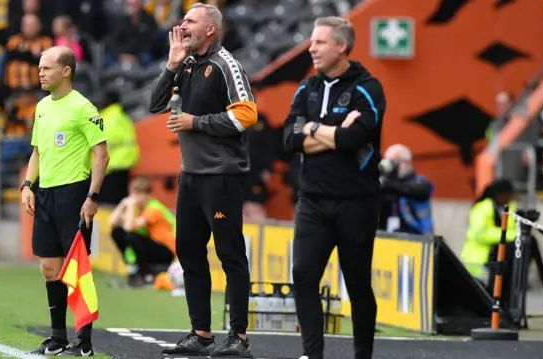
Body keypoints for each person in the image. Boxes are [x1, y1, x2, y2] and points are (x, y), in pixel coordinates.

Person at [148, 3, 257, 357]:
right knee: (189, 252)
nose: (182, 25)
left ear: (210, 29)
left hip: (222, 176)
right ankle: (201, 334)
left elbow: (247, 115)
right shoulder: (188, 65)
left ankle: (238, 338)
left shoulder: (228, 65)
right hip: (191, 175)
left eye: (191, 21)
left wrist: (196, 122)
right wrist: (171, 64)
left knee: (230, 256)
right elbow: (155, 105)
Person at [282, 16, 387, 359]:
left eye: (320, 42)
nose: (311, 48)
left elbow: (356, 137)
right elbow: (289, 140)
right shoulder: (306, 88)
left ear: (342, 47)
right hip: (312, 200)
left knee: (357, 284)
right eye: (312, 42)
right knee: (303, 278)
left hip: (357, 201)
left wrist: (313, 130)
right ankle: (313, 355)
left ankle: (363, 355)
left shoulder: (367, 87)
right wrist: (329, 131)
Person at [20, 46, 109, 356]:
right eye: (40, 68)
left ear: (66, 71)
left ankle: (83, 342)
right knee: (49, 267)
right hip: (45, 194)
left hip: (74, 195)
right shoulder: (42, 107)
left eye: (46, 68)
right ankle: (58, 338)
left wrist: (92, 197)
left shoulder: (85, 109)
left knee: (77, 268)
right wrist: (28, 185)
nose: (40, 73)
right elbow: (38, 152)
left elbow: (102, 155)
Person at [108, 176, 176, 287]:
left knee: (132, 236)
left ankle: (146, 276)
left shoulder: (154, 208)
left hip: (165, 250)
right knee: (117, 232)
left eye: (136, 195)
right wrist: (123, 203)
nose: (132, 199)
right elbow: (112, 222)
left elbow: (130, 228)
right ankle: (134, 269)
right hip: (152, 246)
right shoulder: (141, 209)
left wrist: (130, 206)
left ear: (146, 194)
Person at [460, 179, 518, 309]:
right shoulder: (482, 208)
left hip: (500, 259)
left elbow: (513, 228)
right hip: (478, 262)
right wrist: (511, 235)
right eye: (509, 195)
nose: (510, 198)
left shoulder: (509, 208)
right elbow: (480, 234)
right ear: (500, 194)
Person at [377, 144, 434, 235]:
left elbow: (418, 190)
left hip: (418, 238)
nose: (391, 168)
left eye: (393, 162)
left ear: (406, 163)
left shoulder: (419, 182)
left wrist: (386, 184)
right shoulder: (388, 187)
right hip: (387, 240)